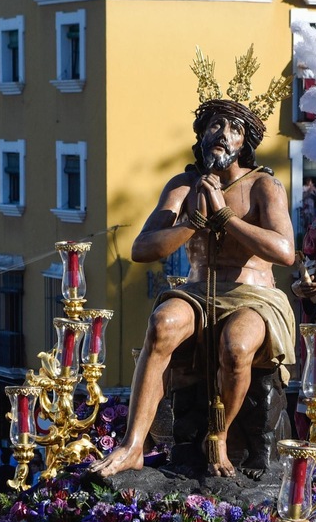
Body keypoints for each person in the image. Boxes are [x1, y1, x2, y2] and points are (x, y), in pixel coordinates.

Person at [89, 91, 296, 479]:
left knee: (236, 345)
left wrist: (225, 218)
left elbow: (285, 251)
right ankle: (134, 444)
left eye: (234, 128)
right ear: (201, 133)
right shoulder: (184, 185)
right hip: (198, 290)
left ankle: (217, 436)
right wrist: (191, 224)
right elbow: (142, 248)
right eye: (216, 124)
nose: (223, 133)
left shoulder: (263, 187)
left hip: (255, 297)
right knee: (162, 324)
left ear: (245, 143)